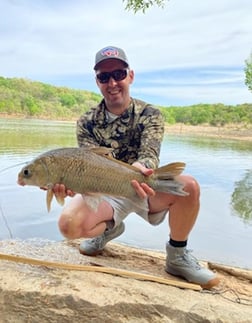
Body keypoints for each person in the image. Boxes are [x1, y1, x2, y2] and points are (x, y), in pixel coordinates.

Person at [55, 46, 219, 289]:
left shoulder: (151, 114)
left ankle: (177, 255)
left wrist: (141, 169)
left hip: (143, 185)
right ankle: (109, 229)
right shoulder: (86, 122)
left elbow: (149, 154)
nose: (112, 83)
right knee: (68, 226)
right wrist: (67, 184)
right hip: (106, 193)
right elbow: (85, 167)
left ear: (130, 76)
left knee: (189, 186)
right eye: (104, 77)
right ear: (97, 82)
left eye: (118, 74)